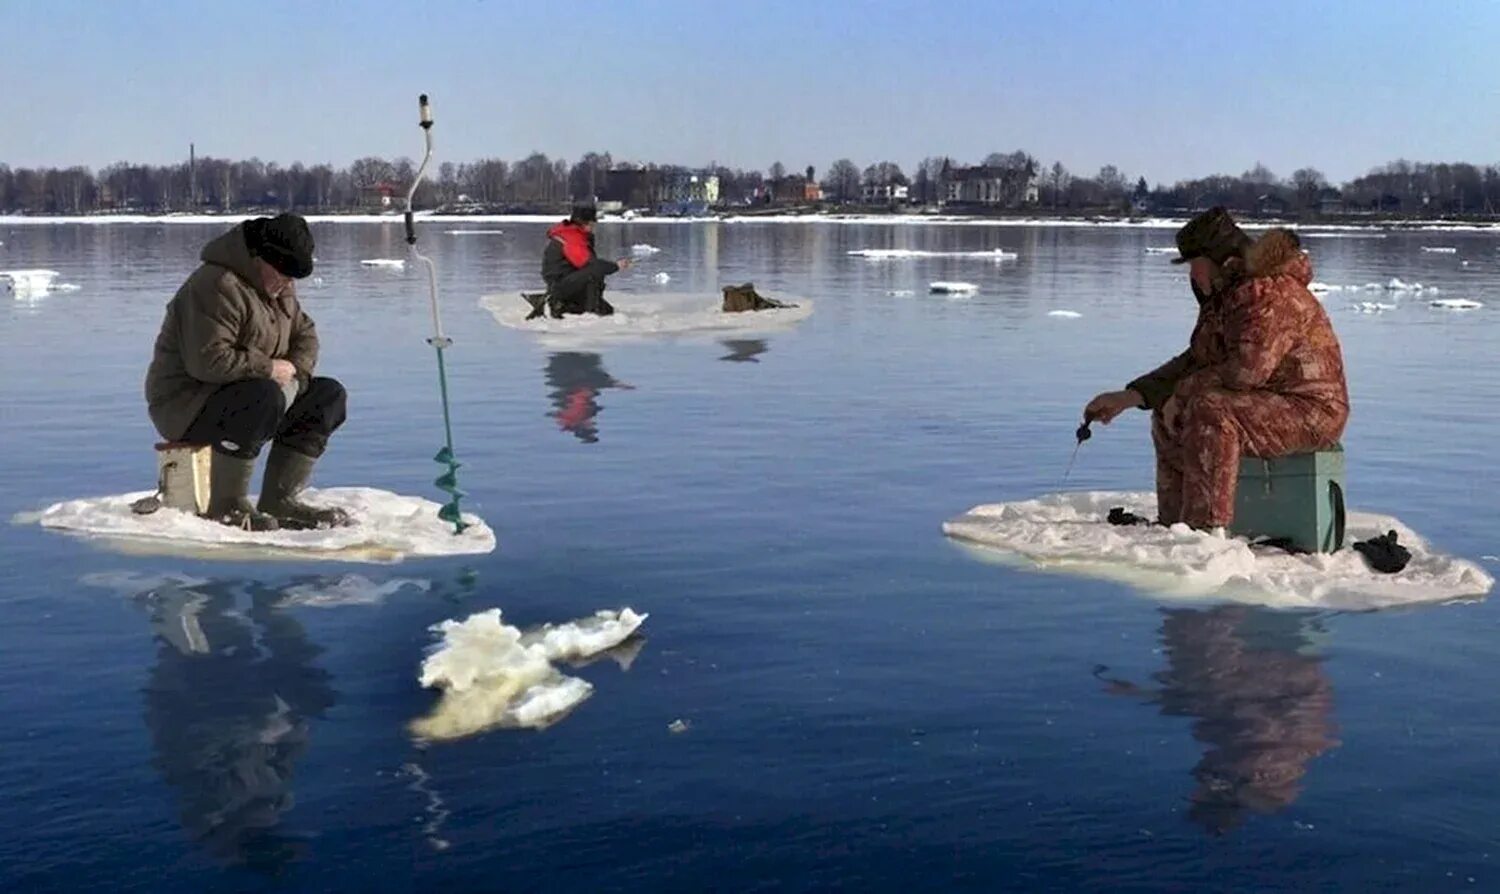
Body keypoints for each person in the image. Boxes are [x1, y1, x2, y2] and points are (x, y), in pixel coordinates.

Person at [1084, 207, 1349, 530]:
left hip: (1312, 411)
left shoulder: (1268, 293)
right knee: (1169, 414)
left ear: (1221, 261)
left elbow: (1247, 372)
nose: (1192, 276)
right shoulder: (1227, 297)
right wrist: (1132, 395)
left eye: (1195, 265)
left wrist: (1181, 393)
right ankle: (1174, 525)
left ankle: (1204, 530)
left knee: (1210, 410)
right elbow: (1197, 360)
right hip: (1265, 402)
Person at [145, 213, 350, 531]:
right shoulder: (216, 286)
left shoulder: (279, 288)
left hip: (249, 394)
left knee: (328, 395)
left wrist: (294, 369)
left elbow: (305, 334)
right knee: (261, 395)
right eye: (282, 272)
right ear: (259, 258)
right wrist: (268, 368)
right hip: (186, 406)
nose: (286, 282)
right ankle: (226, 505)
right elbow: (208, 361)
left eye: (292, 276)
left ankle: (280, 499)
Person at [524, 204, 632, 319]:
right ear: (585, 223)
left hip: (564, 282)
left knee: (608, 311)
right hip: (560, 285)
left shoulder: (571, 234)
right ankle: (586, 312)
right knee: (594, 272)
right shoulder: (572, 237)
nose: (593, 227)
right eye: (592, 223)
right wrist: (616, 266)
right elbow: (589, 264)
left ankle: (568, 304)